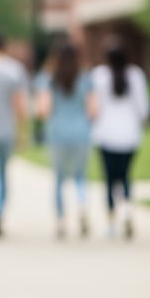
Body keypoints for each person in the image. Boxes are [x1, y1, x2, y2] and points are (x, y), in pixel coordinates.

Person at [91, 40, 150, 239]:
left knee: (109, 179)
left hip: (106, 135)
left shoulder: (99, 76)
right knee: (125, 177)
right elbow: (143, 109)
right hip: (129, 135)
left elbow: (94, 108)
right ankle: (127, 212)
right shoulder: (136, 75)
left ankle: (111, 222)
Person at [36, 41, 95, 239]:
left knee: (60, 179)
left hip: (57, 133)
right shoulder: (86, 78)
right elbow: (93, 111)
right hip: (81, 133)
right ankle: (82, 206)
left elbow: (43, 111)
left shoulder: (48, 79)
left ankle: (61, 222)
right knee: (80, 176)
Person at [0, 32, 28, 238]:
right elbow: (20, 105)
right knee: (2, 173)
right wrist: (23, 132)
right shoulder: (14, 69)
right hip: (7, 130)